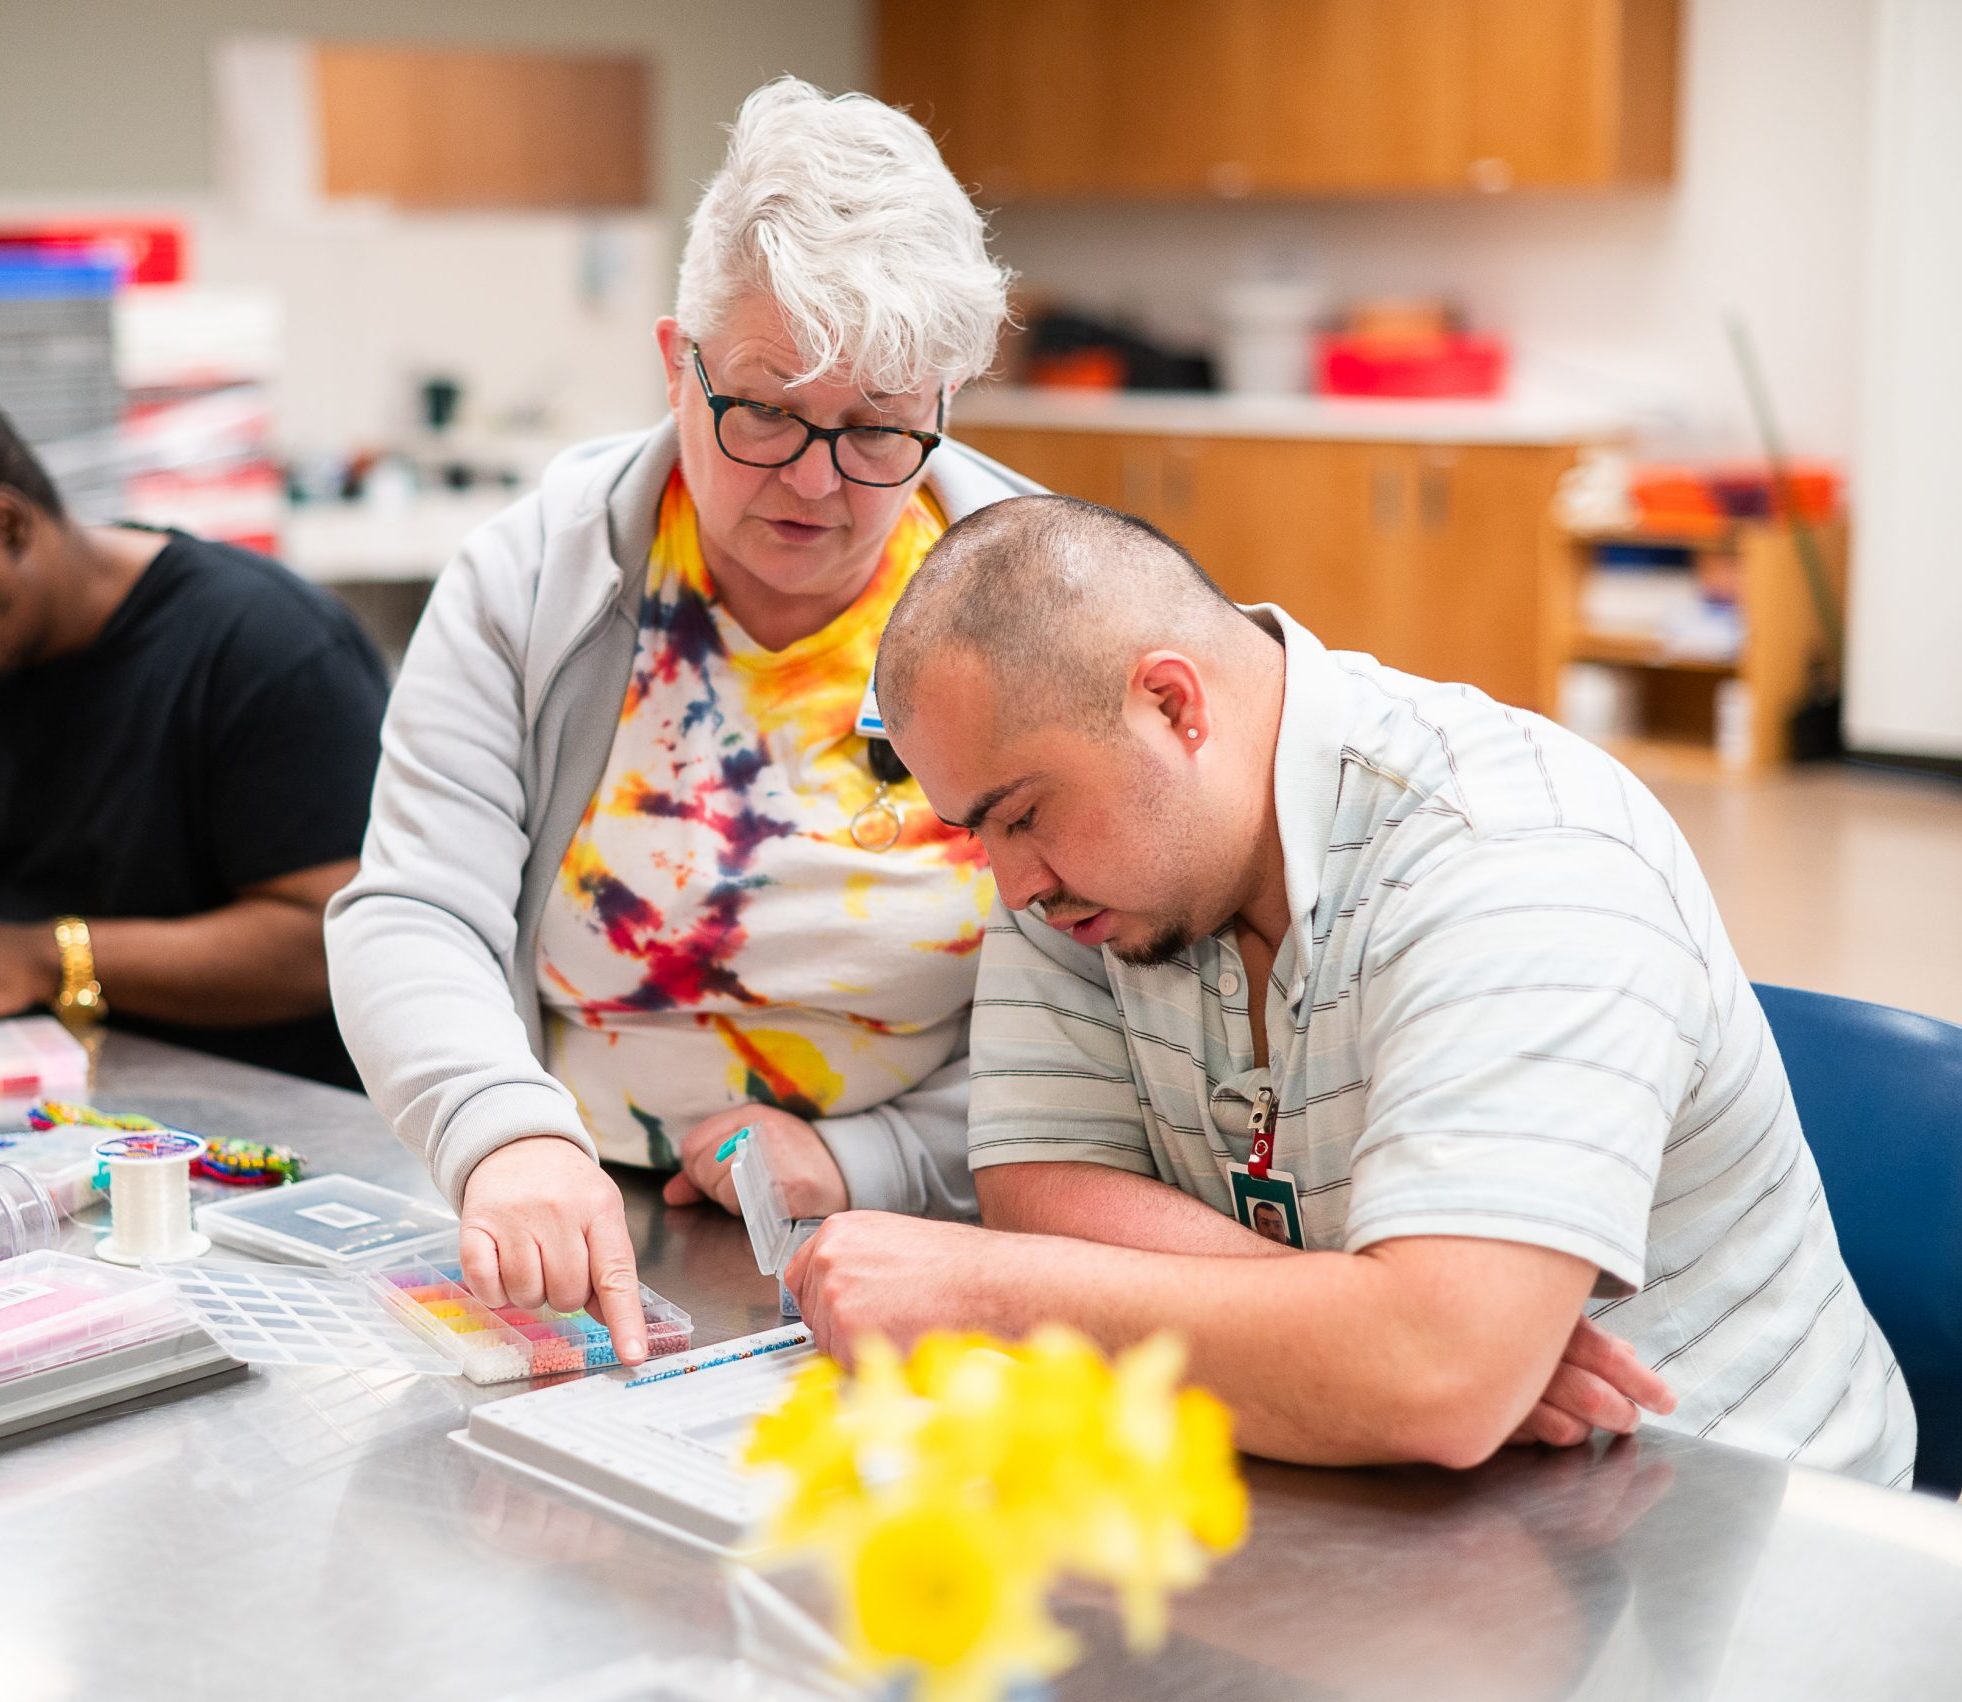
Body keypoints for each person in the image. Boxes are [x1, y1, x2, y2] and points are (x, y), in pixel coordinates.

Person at [784, 494, 1917, 1484]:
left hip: (1736, 1531)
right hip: (1414, 1497)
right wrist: (1357, 1330)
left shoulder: (1516, 850)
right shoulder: (1084, 867)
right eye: (979, 827)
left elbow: (1434, 1377)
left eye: (1022, 815)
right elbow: (1048, 1186)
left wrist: (993, 1292)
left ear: (1175, 707)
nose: (1012, 880)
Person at [324, 78, 1031, 1363]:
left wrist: (870, 1156)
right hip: (563, 1226)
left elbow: (1118, 998)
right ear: (674, 364)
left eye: (878, 429)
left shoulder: (1037, 610)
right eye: (765, 410)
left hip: (917, 1243)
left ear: (941, 413)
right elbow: (415, 908)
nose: (817, 481)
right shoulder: (533, 580)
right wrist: (503, 1130)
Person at [0, 409, 387, 1087]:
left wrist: (42, 957)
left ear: (9, 526)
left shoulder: (268, 647)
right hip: (49, 1103)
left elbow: (324, 942)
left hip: (251, 1132)